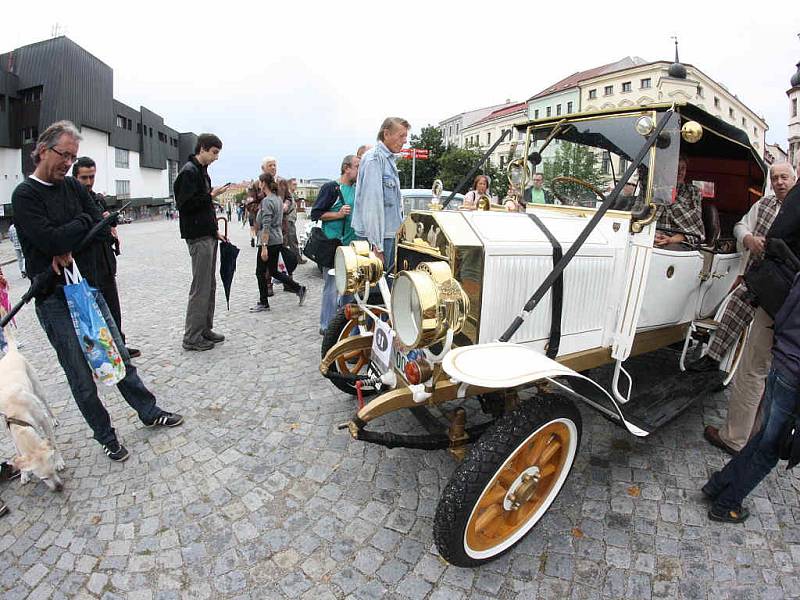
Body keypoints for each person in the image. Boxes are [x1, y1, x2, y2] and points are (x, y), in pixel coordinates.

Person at [11, 121, 183, 462]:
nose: (69, 164)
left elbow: (100, 224)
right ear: (44, 151)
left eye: (73, 158)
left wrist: (71, 234)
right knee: (80, 375)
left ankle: (148, 411)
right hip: (53, 299)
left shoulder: (74, 188)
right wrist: (72, 233)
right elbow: (55, 239)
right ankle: (106, 436)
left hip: (86, 288)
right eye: (65, 155)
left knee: (116, 357)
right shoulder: (25, 195)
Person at [698, 164, 797, 455]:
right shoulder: (764, 204)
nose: (779, 182)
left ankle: (736, 437)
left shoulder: (793, 206)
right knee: (733, 314)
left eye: (785, 177)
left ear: (794, 179)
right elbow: (742, 225)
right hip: (762, 283)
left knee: (756, 367)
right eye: (775, 178)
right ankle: (713, 357)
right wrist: (748, 240)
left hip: (779, 292)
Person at [701, 270, 800, 523]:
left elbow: (786, 310)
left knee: (765, 437)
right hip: (794, 372)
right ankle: (726, 505)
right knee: (771, 448)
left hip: (783, 359)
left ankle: (719, 484)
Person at [72, 156, 141, 359]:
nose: (88, 182)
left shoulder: (97, 199)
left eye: (91, 177)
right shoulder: (72, 204)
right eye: (84, 177)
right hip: (85, 266)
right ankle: (99, 355)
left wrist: (109, 222)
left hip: (105, 262)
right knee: (91, 316)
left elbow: (107, 229)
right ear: (75, 177)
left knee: (113, 309)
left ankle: (119, 346)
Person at [174, 133, 229, 352]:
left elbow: (203, 207)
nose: (216, 157)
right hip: (197, 237)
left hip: (206, 234)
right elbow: (185, 205)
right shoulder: (188, 172)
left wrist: (214, 230)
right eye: (214, 152)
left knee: (209, 285)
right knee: (201, 287)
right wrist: (211, 195)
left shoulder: (200, 172)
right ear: (203, 149)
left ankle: (204, 328)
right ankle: (192, 337)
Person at [352, 117, 409, 273]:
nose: (405, 141)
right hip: (379, 239)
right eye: (401, 136)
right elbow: (372, 205)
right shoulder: (375, 159)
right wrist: (377, 246)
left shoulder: (386, 159)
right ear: (386, 134)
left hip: (386, 236)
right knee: (375, 290)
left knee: (383, 288)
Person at [312, 154, 360, 334]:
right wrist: (338, 214)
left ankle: (343, 325)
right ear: (346, 168)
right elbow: (316, 214)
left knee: (350, 288)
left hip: (352, 246)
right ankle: (326, 326)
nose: (359, 170)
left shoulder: (357, 189)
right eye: (357, 166)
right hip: (333, 245)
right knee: (332, 287)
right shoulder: (331, 187)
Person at [250, 173, 307, 311]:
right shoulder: (277, 199)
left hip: (268, 241)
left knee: (260, 272)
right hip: (277, 239)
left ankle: (264, 302)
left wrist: (263, 246)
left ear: (264, 183)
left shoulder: (267, 201)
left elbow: (266, 224)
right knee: (274, 271)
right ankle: (299, 288)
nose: (259, 184)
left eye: (260, 182)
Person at [654, 156, 704, 248]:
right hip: (653, 236)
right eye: (676, 168)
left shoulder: (692, 191)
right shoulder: (656, 188)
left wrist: (671, 240)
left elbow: (694, 226)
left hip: (678, 241)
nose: (680, 172)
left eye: (683, 168)